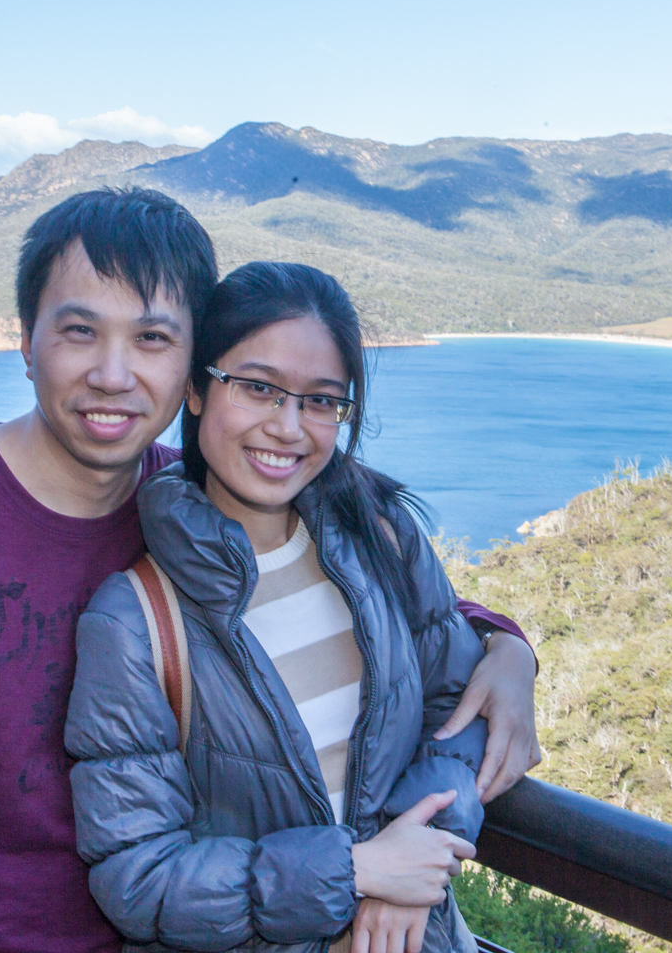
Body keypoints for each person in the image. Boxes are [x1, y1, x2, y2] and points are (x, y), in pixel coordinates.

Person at [0, 188, 540, 953]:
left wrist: (506, 648)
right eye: (80, 331)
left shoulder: (187, 506)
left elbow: (369, 598)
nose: (114, 375)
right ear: (25, 340)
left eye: (152, 339)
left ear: (191, 369)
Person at [66, 260, 491, 953]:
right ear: (199, 390)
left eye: (320, 400)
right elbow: (137, 877)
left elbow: (459, 708)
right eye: (258, 388)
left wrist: (422, 849)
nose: (288, 427)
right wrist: (355, 872)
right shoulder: (136, 621)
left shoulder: (380, 535)